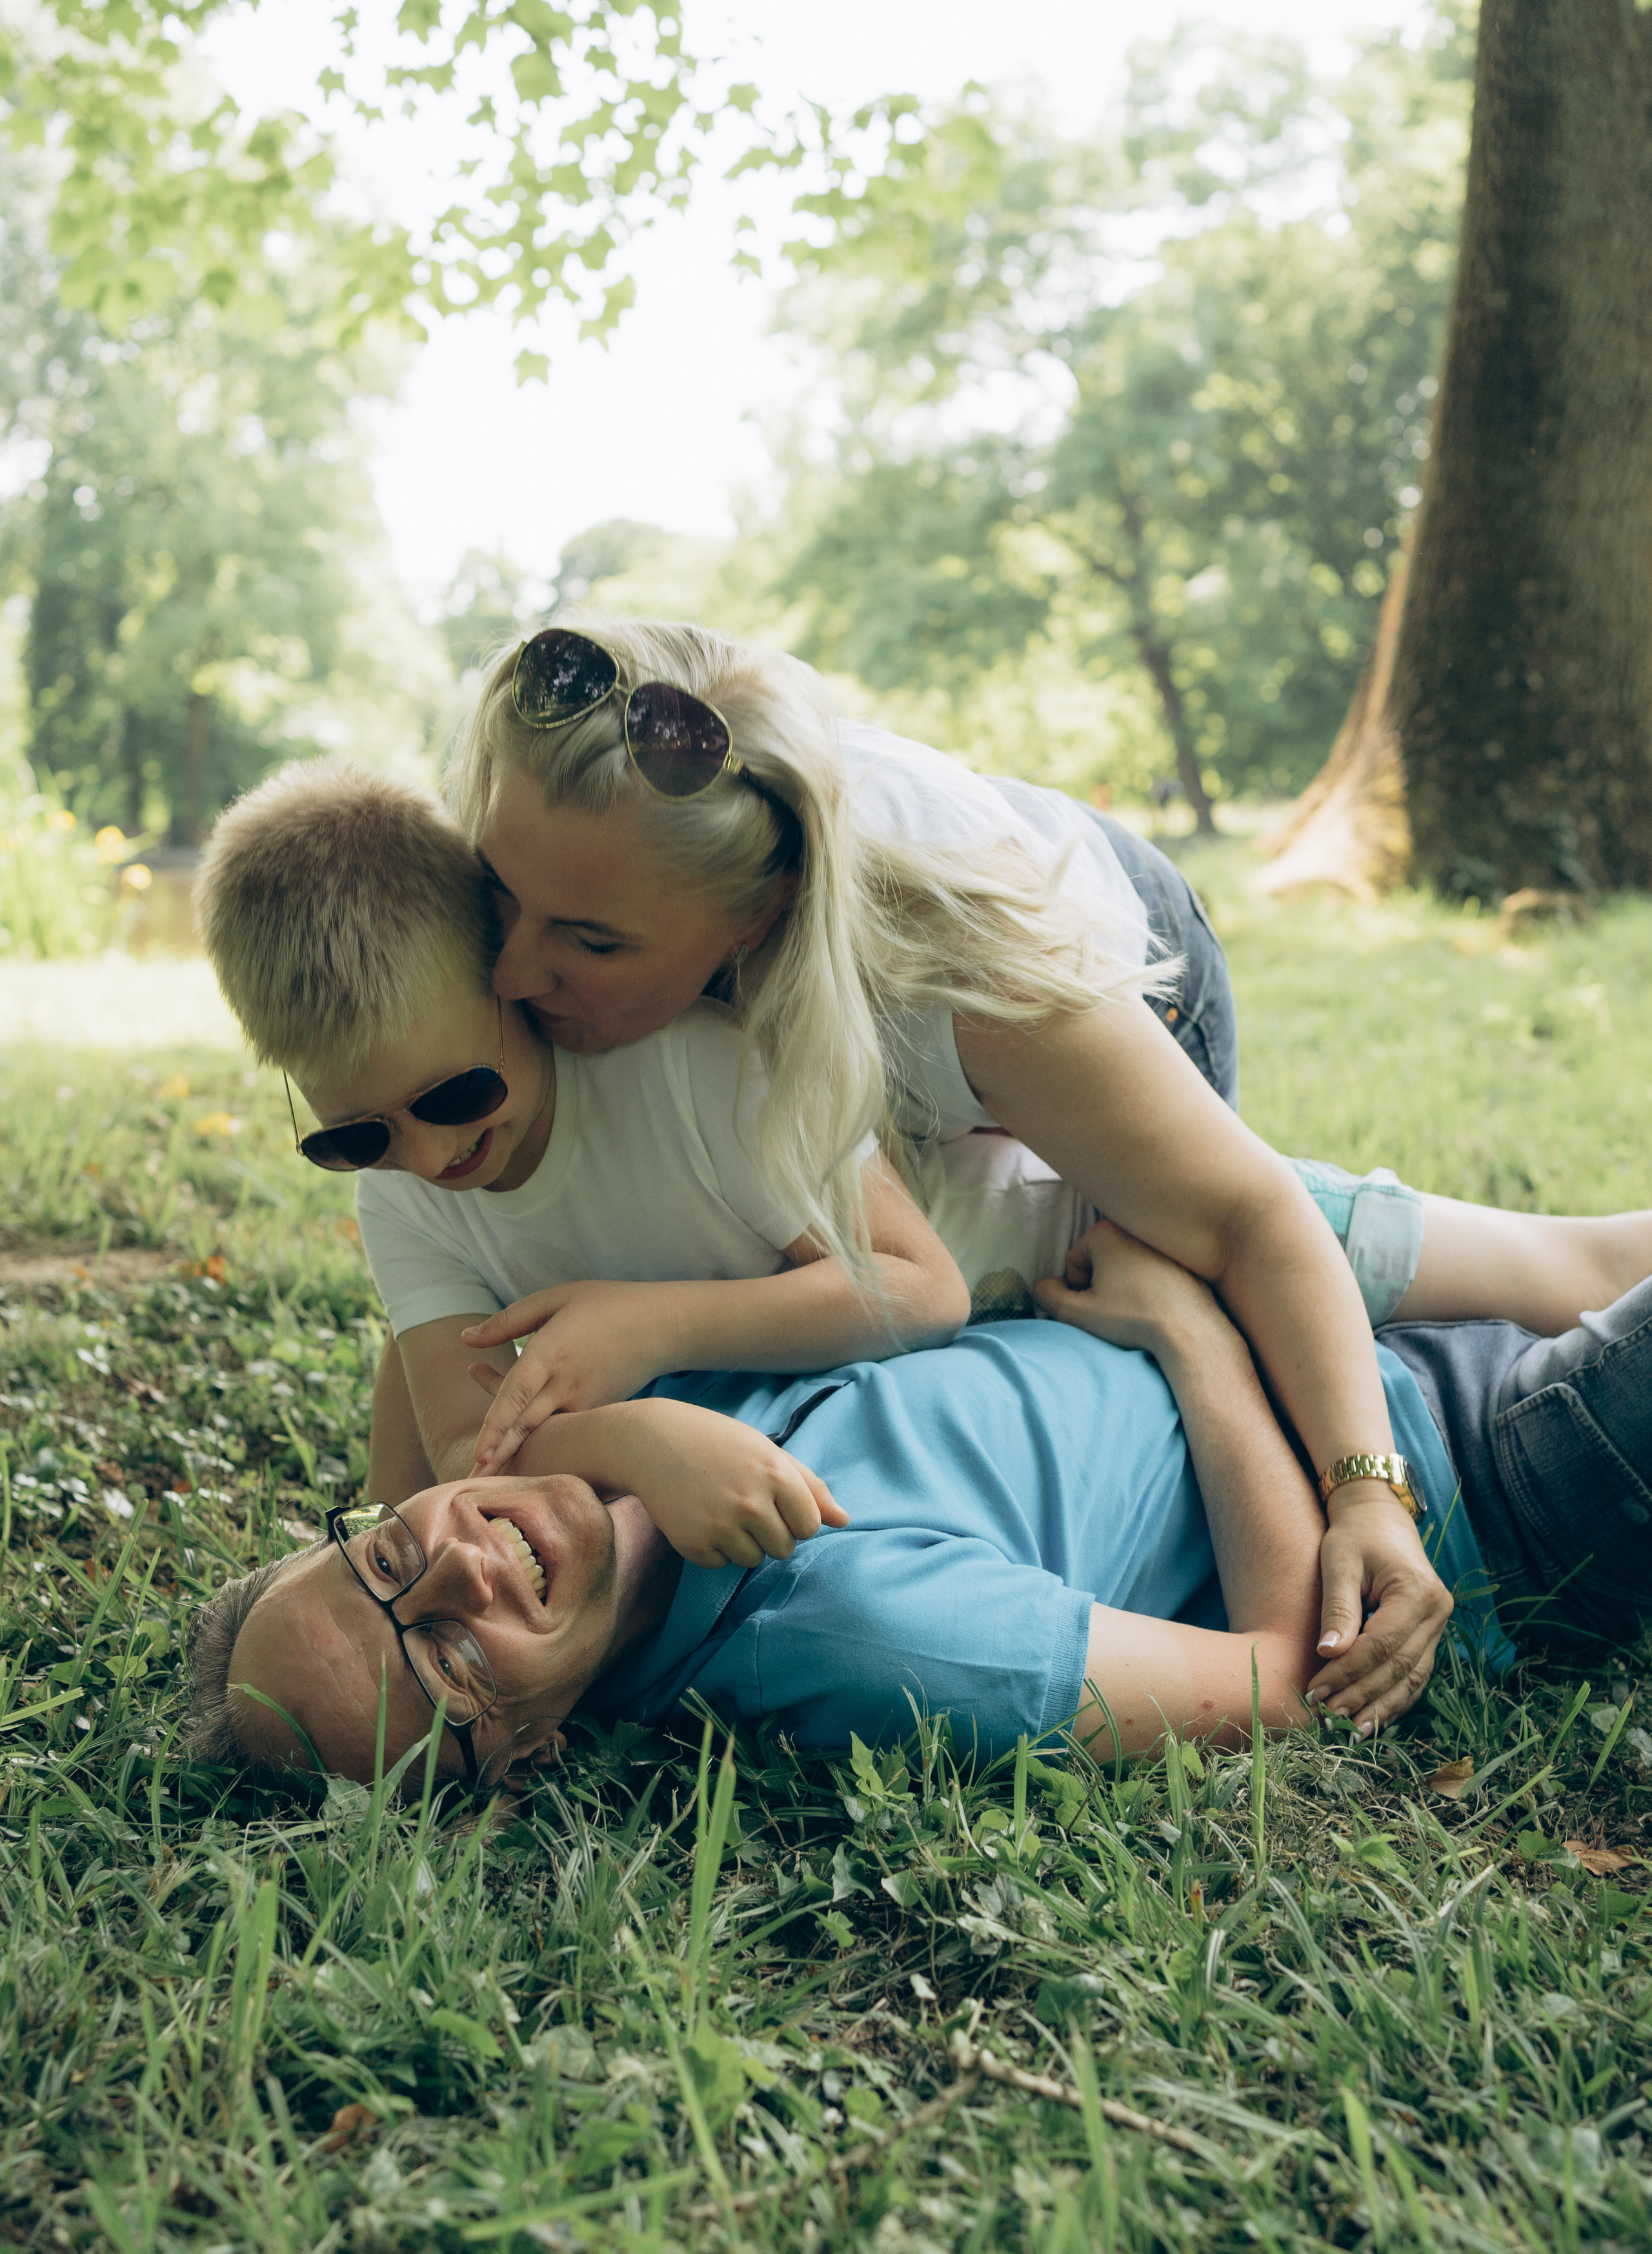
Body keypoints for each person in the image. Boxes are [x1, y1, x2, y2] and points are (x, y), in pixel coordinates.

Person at [443, 616, 1652, 1731]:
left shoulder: (948, 970)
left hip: (1105, 967)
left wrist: (1367, 1493)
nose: (509, 973)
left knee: (1191, 1258)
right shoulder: (584, 857)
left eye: (591, 943)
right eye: (502, 893)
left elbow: (1246, 1219)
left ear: (752, 924)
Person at [184, 1214, 1652, 1794]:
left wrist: (628, 1436)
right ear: (524, 1749)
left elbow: (417, 1341)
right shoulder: (861, 1633)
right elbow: (1286, 1673)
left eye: (390, 1554)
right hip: (1483, 1471)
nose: (456, 1570)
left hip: (1318, 1309)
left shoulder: (595, 1401)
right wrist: (1191, 1342)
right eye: (442, 1656)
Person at [193, 760, 969, 1509]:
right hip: (723, 1460)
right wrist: (629, 1440)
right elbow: (466, 1448)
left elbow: (921, 1288)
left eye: (458, 1094)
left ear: (511, 977)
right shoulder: (400, 1201)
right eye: (357, 1138)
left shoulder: (696, 1073)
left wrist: (654, 1326)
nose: (427, 1160)